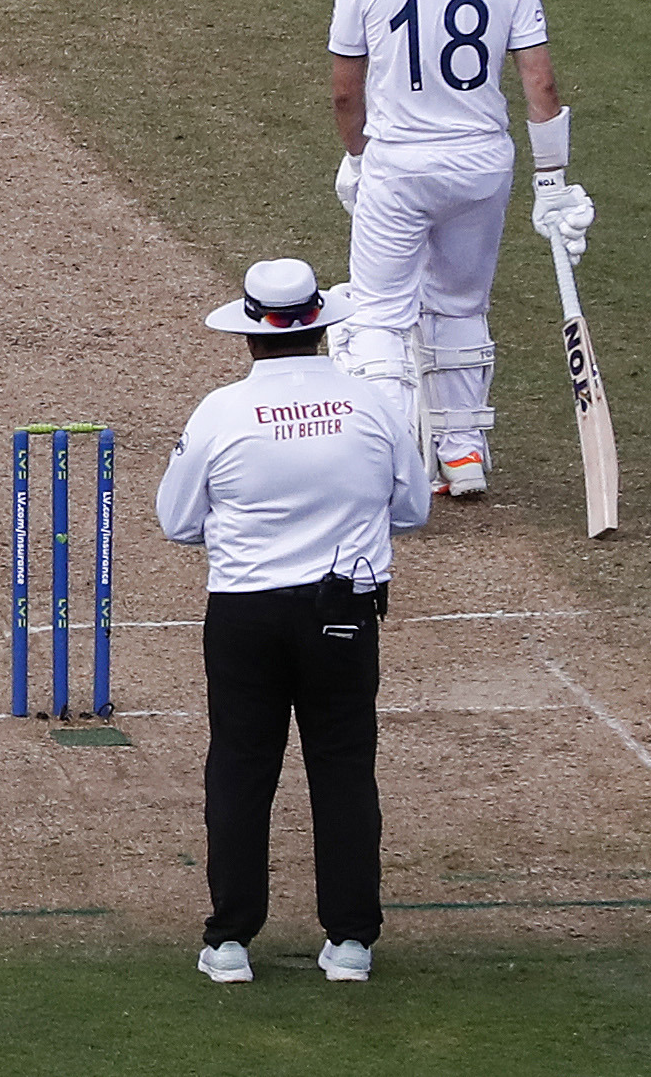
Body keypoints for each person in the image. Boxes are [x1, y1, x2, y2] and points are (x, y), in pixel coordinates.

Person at [159, 258, 432, 987]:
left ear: (249, 335)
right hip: (343, 612)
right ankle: (349, 943)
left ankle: (228, 944)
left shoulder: (220, 411)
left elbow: (177, 522)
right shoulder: (370, 404)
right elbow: (412, 510)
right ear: (318, 326)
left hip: (245, 612)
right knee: (343, 771)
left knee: (241, 769)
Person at [326, 0, 594, 498]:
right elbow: (539, 82)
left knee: (381, 313)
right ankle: (462, 450)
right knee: (459, 303)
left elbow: (343, 93)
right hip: (481, 163)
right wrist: (553, 182)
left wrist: (357, 157)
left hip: (400, 162)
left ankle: (387, 468)